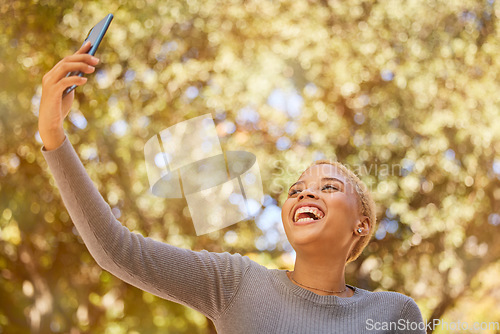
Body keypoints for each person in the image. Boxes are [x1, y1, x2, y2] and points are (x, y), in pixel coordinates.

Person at [38, 42, 426, 333]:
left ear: (362, 223)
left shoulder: (395, 314)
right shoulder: (235, 283)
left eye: (328, 187)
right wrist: (54, 135)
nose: (305, 194)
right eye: (296, 189)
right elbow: (116, 250)